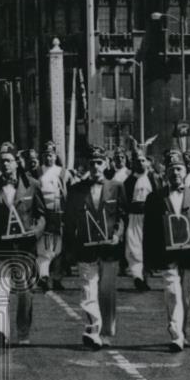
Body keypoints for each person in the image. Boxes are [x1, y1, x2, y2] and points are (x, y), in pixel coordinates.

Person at [0, 142, 46, 348]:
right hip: (0, 249)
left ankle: (23, 332)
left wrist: (36, 231)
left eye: (8, 161)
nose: (5, 165)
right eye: (1, 161)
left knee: (25, 294)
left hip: (24, 249)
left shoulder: (32, 185)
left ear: (17, 162)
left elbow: (42, 215)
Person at [143, 149, 190, 352]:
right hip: (167, 255)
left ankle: (182, 328)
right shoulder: (155, 198)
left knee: (186, 296)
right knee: (172, 292)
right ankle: (176, 334)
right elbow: (149, 231)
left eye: (179, 169)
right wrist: (147, 262)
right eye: (172, 170)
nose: (176, 174)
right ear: (166, 173)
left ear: (186, 170)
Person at [63, 145, 128, 349]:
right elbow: (70, 221)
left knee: (107, 292)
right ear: (87, 166)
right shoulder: (76, 190)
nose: (96, 167)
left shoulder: (117, 187)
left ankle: (106, 332)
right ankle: (92, 329)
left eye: (99, 162)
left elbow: (121, 216)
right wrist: (70, 249)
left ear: (106, 164)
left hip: (109, 248)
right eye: (92, 163)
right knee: (88, 290)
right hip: (86, 247)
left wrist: (117, 235)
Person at [123, 145, 161, 291]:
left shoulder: (153, 178)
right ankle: (137, 276)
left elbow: (158, 197)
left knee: (148, 247)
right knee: (134, 247)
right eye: (137, 161)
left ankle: (145, 276)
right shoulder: (129, 181)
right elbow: (125, 201)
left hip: (149, 218)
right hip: (134, 218)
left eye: (142, 160)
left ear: (147, 162)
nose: (140, 163)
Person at [36, 141, 66, 292]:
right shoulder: (38, 171)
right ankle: (44, 275)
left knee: (58, 245)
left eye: (52, 155)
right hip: (43, 212)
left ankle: (57, 278)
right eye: (46, 155)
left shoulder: (61, 171)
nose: (49, 157)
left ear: (55, 156)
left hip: (57, 212)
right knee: (44, 244)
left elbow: (65, 193)